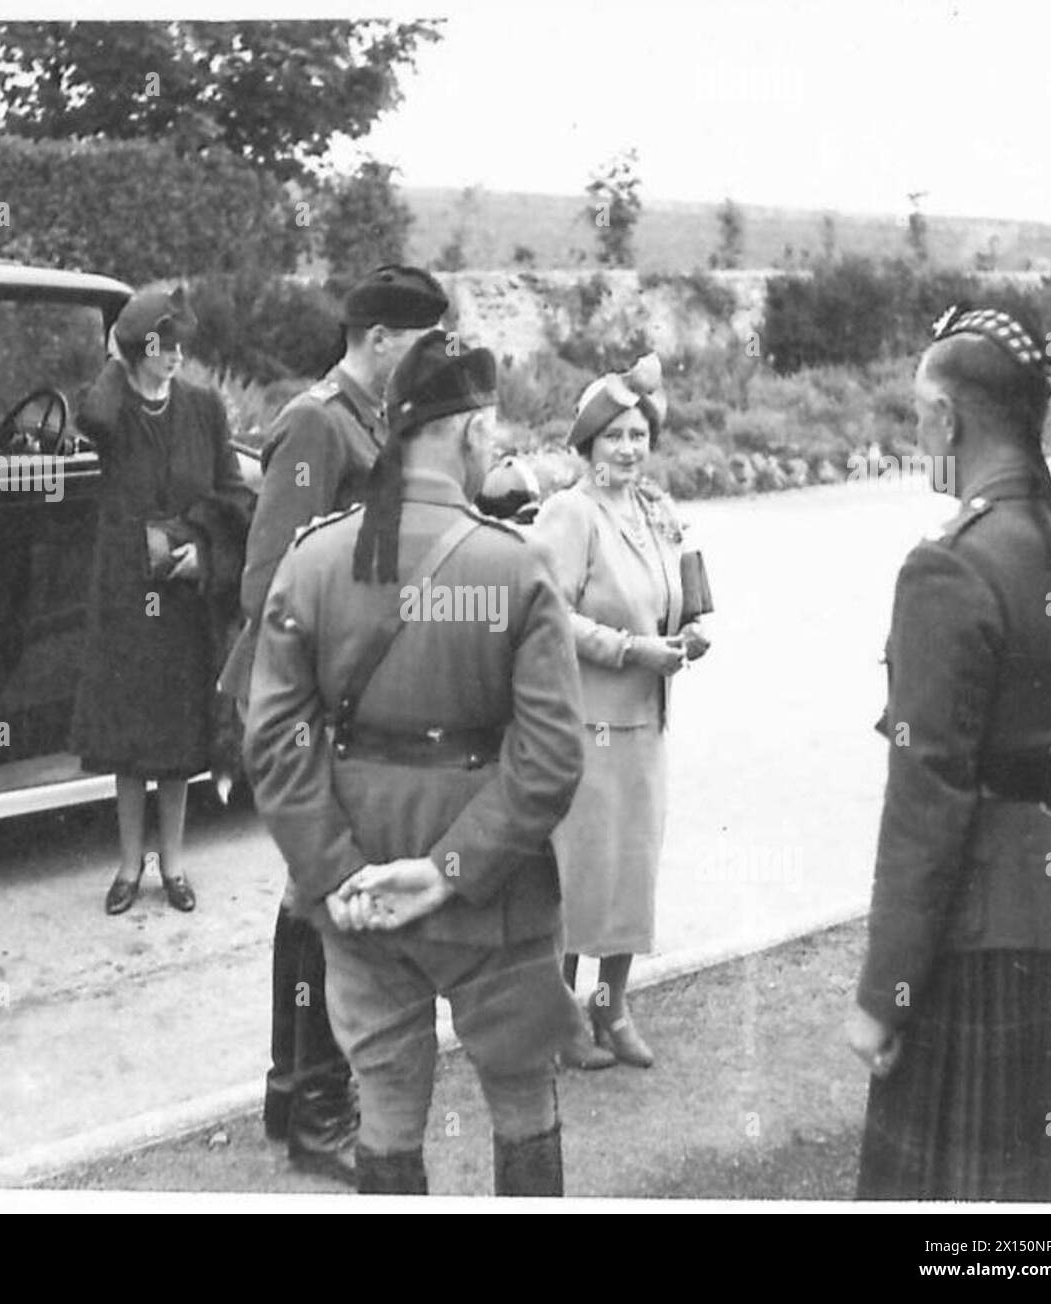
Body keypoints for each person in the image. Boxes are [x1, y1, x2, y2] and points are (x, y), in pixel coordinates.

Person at [243, 329, 586, 1195]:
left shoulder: (314, 557)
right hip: (495, 891)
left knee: (387, 1110)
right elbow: (549, 759)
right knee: (521, 1102)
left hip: (360, 893)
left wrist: (338, 875)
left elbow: (272, 740)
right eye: (492, 431)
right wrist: (450, 870)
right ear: (469, 432)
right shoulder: (518, 563)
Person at [848, 305, 1051, 1201]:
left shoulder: (948, 567)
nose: (916, 431)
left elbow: (926, 806)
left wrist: (884, 997)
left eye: (918, 413)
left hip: (980, 942)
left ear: (948, 419)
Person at [220, 265, 448, 1184]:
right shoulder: (321, 421)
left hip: (343, 689)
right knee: (329, 898)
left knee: (312, 898)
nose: (434, 360)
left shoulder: (370, 420)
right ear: (384, 339)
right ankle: (319, 1114)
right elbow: (267, 577)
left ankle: (298, 1092)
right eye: (426, 343)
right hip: (309, 693)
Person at [533, 355, 710, 1070]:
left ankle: (613, 1006)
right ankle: (560, 1018)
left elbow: (682, 599)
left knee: (632, 871)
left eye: (639, 435)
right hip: (586, 725)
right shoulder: (570, 514)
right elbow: (546, 614)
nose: (629, 449)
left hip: (645, 725)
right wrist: (630, 649)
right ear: (586, 446)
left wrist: (687, 636)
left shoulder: (654, 511)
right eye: (614, 437)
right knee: (580, 874)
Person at [71, 286, 247, 916]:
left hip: (183, 589)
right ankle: (127, 865)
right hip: (126, 590)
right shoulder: (113, 410)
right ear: (136, 349)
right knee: (128, 736)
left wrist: (207, 553)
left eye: (179, 346)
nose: (174, 357)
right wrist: (119, 360)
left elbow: (232, 493)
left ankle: (172, 865)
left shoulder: (203, 407)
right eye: (160, 345)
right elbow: (89, 415)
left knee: (175, 738)